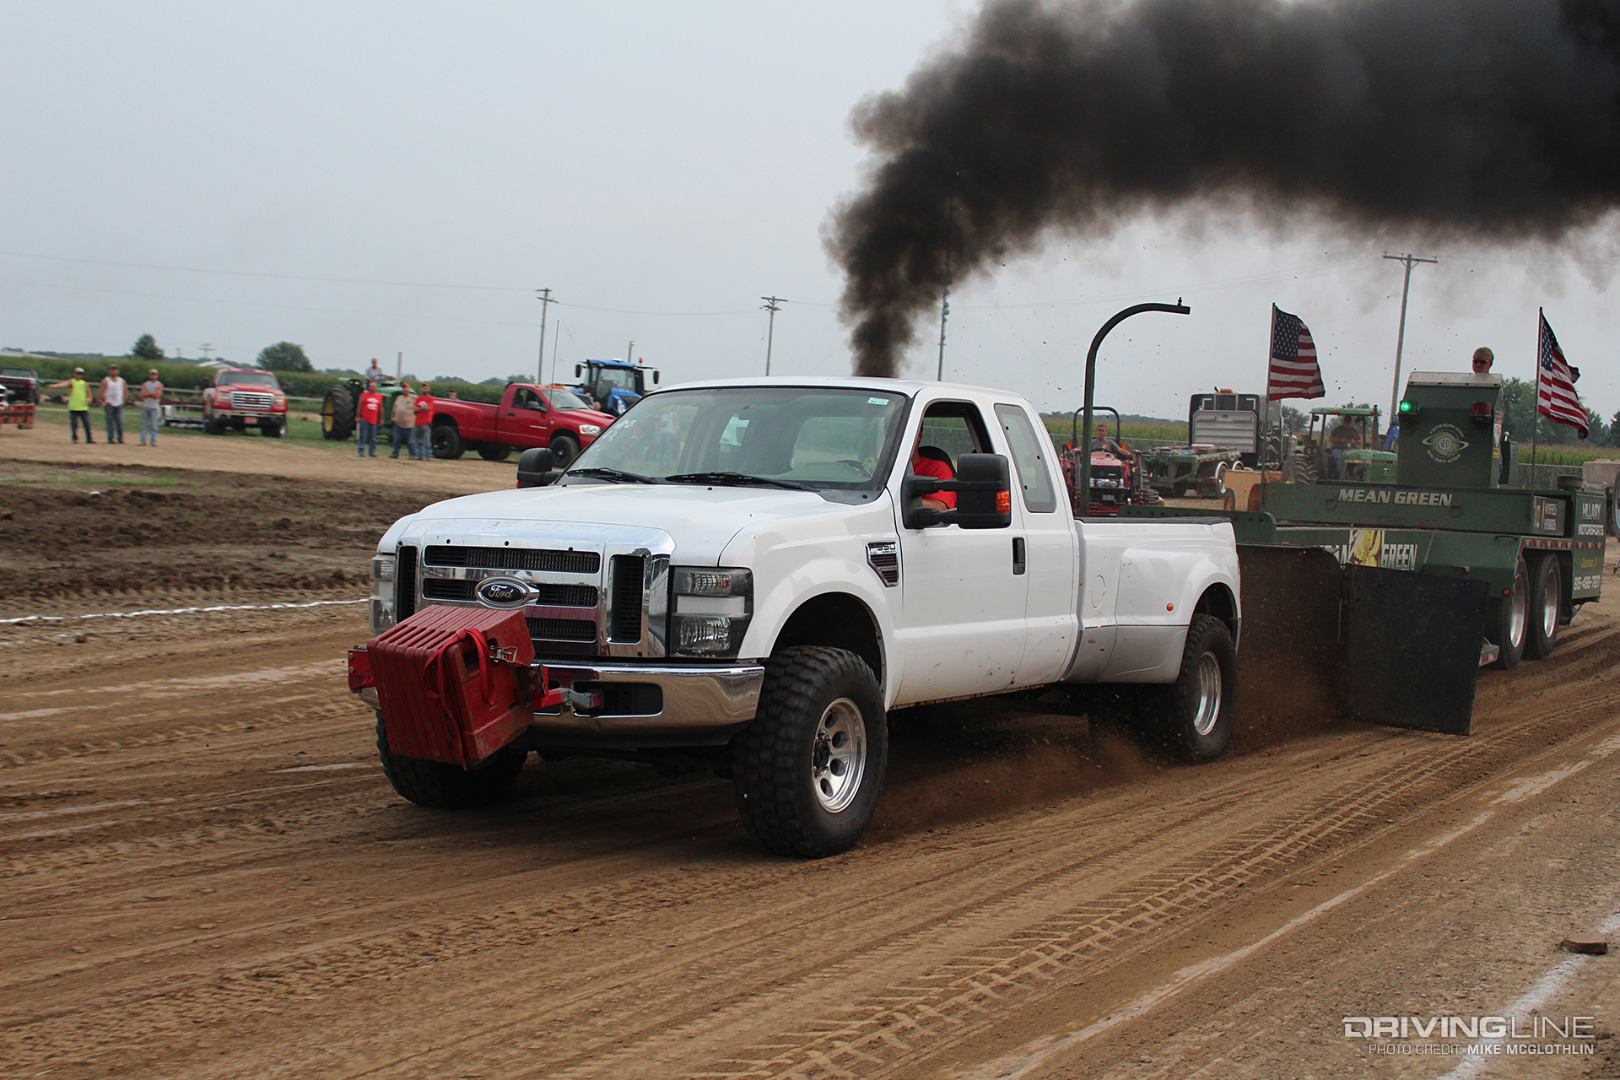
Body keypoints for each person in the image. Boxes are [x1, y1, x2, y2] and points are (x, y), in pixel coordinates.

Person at [48, 367, 94, 443]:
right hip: (74, 406)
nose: (78, 376)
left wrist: (89, 400)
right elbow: (63, 384)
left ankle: (89, 439)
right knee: (74, 424)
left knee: (87, 423)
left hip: (83, 407)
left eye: (80, 374)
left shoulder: (84, 383)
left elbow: (89, 395)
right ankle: (75, 438)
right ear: (74, 374)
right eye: (77, 374)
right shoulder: (71, 382)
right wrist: (54, 386)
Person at [910, 437, 956, 510]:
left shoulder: (937, 468)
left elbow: (940, 507)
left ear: (918, 434)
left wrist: (903, 501)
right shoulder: (886, 469)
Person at [99, 364, 128, 443]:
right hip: (109, 403)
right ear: (109, 371)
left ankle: (120, 438)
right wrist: (105, 400)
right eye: (112, 370)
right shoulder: (106, 380)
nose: (113, 371)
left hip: (119, 403)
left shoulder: (122, 381)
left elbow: (125, 391)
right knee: (110, 421)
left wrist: (123, 401)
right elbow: (101, 391)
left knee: (120, 421)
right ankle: (111, 438)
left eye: (115, 370)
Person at [356, 380, 382, 457]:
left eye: (374, 387)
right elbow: (359, 406)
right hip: (364, 418)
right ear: (369, 387)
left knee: (373, 436)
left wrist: (381, 418)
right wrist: (357, 416)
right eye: (371, 386)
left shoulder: (379, 397)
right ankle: (361, 450)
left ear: (376, 388)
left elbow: (381, 408)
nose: (372, 388)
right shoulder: (363, 395)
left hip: (374, 420)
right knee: (363, 435)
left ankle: (372, 451)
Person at [390, 382, 416, 459]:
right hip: (398, 423)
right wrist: (393, 417)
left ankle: (413, 455)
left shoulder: (413, 398)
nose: (405, 389)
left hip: (410, 423)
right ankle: (395, 453)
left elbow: (418, 408)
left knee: (411, 441)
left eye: (406, 387)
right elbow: (394, 408)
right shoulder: (399, 398)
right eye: (403, 388)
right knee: (397, 440)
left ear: (409, 388)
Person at [138, 368, 163, 446]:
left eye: (154, 375)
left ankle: (154, 441)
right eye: (151, 374)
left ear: (157, 376)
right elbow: (142, 394)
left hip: (154, 407)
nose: (153, 376)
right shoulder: (145, 384)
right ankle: (143, 440)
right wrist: (152, 394)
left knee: (154, 425)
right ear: (149, 375)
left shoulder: (159, 384)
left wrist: (148, 394)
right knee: (144, 424)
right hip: (146, 406)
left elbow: (157, 395)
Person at [412, 383, 435, 460]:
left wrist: (419, 409)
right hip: (417, 422)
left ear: (428, 389)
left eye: (426, 388)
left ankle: (428, 456)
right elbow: (414, 409)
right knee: (418, 440)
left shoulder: (430, 398)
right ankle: (420, 456)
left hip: (426, 422)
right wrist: (422, 409)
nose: (424, 389)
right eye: (423, 388)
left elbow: (428, 408)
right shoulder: (418, 398)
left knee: (427, 441)